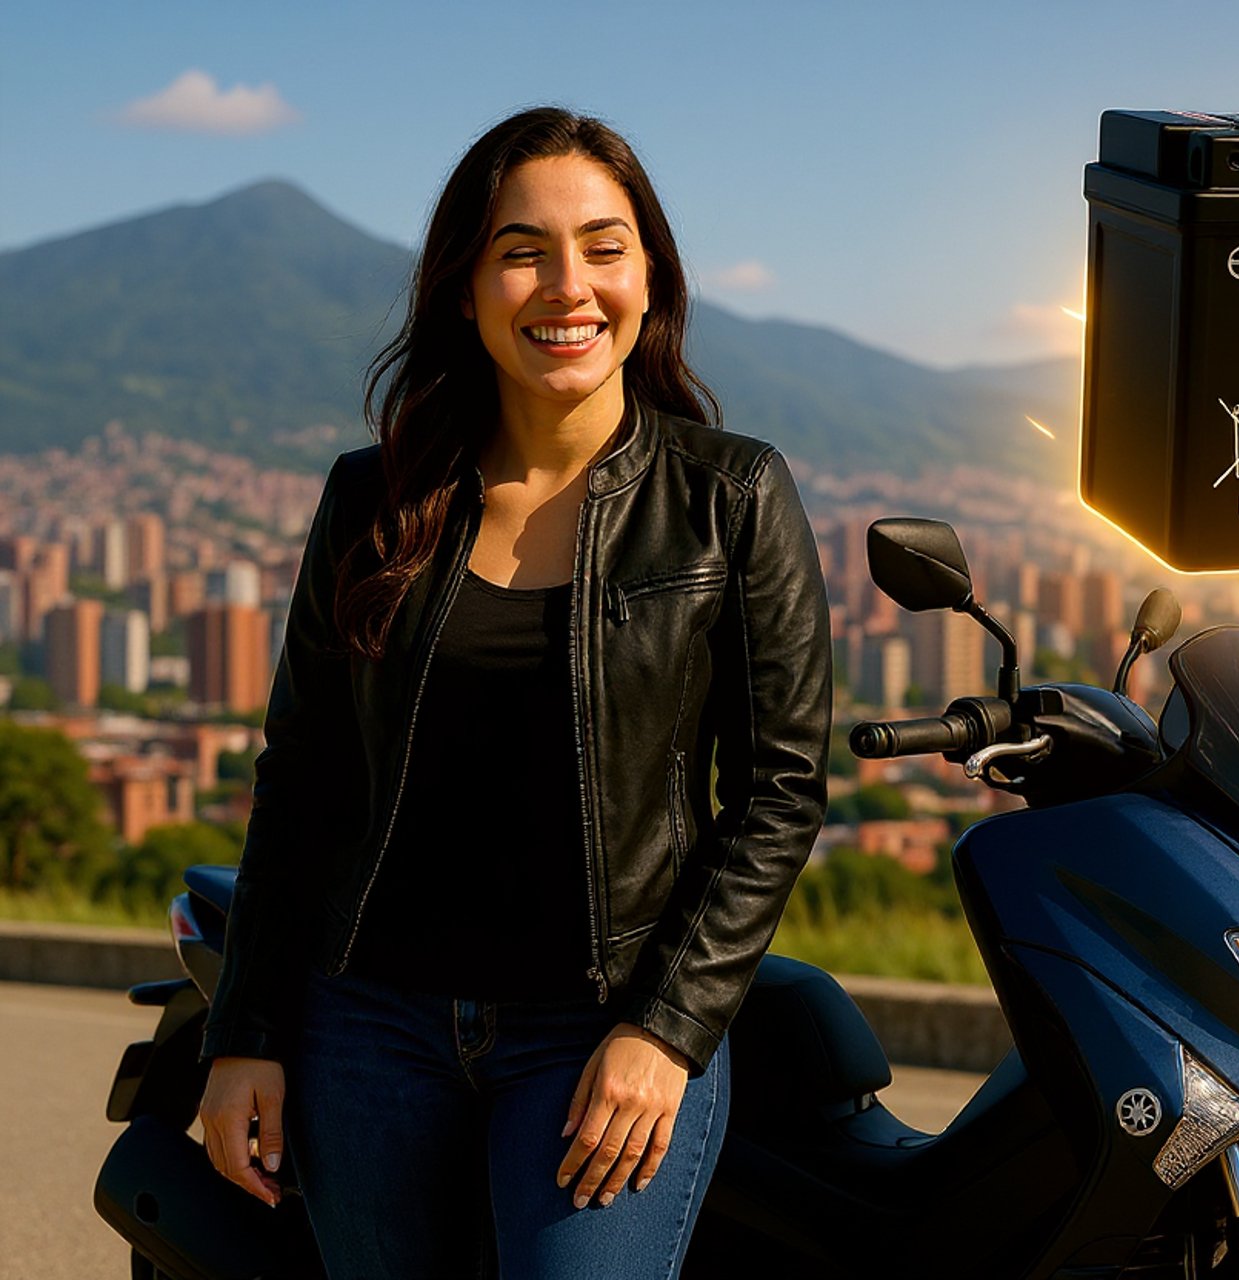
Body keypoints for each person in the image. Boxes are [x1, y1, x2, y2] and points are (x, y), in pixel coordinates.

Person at [193, 105, 833, 1278]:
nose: (567, 286)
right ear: (465, 288)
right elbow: (304, 781)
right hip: (369, 1023)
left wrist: (667, 1028)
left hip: (603, 1027)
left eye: (604, 247)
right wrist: (247, 1033)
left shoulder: (730, 496)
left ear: (650, 277)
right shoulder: (372, 500)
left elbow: (780, 790)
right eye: (522, 251)